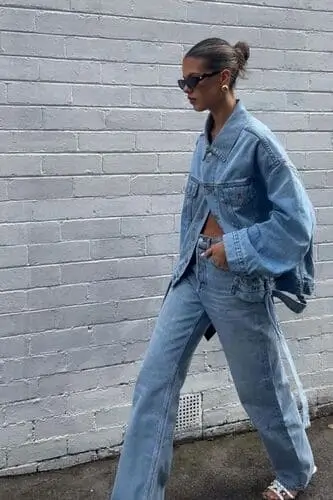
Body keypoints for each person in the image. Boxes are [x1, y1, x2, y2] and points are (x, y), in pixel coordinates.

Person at [110, 38, 317, 500]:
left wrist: (237, 248)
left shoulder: (259, 141)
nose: (185, 89)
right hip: (192, 274)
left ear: (223, 78)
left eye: (192, 80)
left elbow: (298, 222)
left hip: (235, 280)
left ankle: (295, 472)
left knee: (261, 388)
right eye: (181, 81)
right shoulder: (204, 138)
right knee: (153, 383)